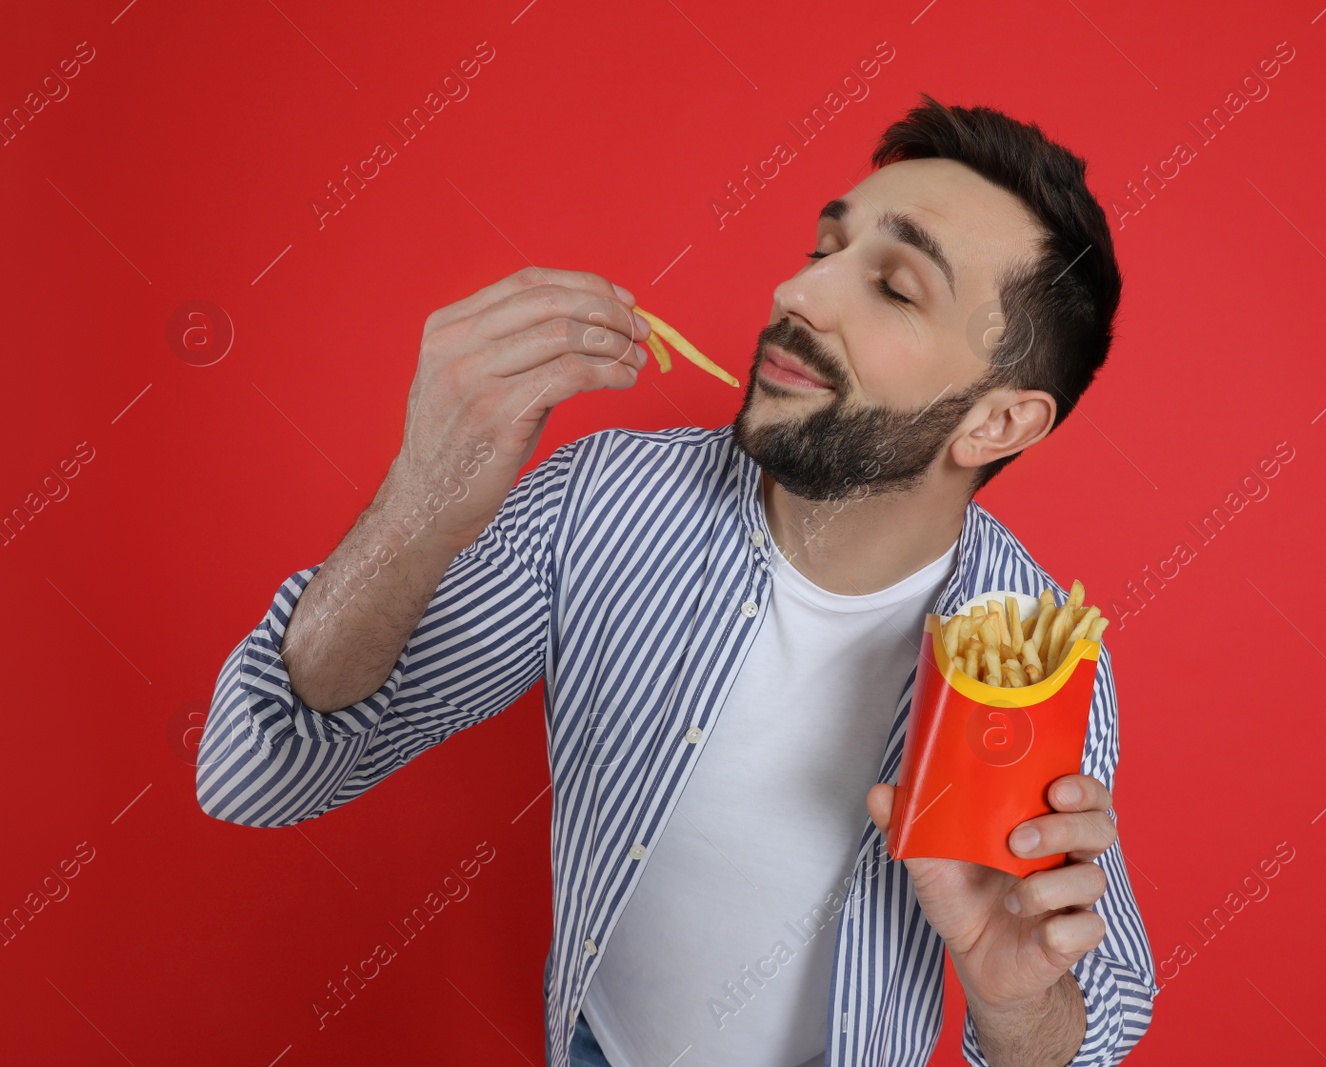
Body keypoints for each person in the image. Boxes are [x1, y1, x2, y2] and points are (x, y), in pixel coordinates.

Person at [196, 93, 1156, 1067]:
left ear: (995, 424)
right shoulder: (598, 503)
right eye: (826, 249)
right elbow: (260, 773)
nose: (798, 291)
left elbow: (1092, 1022)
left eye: (896, 286)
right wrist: (420, 498)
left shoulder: (1036, 652)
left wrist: (1012, 1001)